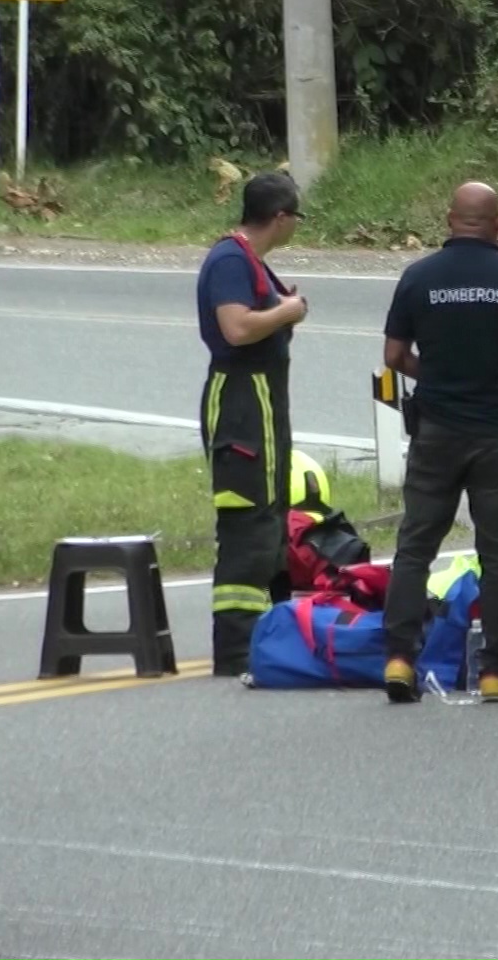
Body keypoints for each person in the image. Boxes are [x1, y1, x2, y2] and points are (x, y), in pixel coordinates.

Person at [379, 182, 498, 703]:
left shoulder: (418, 278)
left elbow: (394, 356)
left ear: (450, 219)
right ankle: (494, 672)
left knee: (414, 548)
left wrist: (433, 376)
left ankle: (398, 660)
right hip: (497, 435)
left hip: (435, 433)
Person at [194, 171, 308, 677]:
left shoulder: (251, 260)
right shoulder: (229, 260)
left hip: (263, 397)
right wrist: (287, 312)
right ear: (280, 217)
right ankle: (235, 648)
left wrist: (285, 311)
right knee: (247, 519)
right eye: (295, 217)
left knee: (271, 513)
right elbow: (236, 327)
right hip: (241, 400)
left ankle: (278, 628)